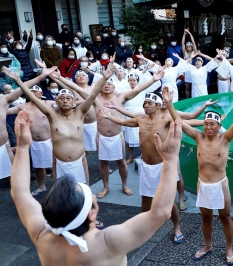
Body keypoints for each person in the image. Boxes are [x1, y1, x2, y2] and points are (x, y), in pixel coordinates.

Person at [10, 107, 183, 266]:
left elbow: (20, 193)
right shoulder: (109, 242)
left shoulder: (42, 234)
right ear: (92, 213)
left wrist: (23, 147)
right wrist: (169, 160)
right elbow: (161, 212)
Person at [65, 63, 165, 198]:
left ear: (114, 87)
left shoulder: (120, 97)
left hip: (117, 136)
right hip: (101, 136)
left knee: (121, 162)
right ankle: (105, 186)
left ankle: (124, 185)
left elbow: (138, 89)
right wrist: (59, 78)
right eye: (104, 84)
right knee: (103, 163)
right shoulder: (95, 98)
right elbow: (76, 87)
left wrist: (153, 79)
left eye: (110, 84)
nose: (106, 85)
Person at [5, 60, 113, 184]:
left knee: (84, 193)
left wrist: (104, 79)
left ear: (73, 102)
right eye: (62, 98)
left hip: (79, 160)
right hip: (59, 162)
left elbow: (92, 96)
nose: (65, 101)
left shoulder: (80, 112)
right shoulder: (51, 114)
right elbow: (33, 96)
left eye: (68, 98)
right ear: (56, 102)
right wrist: (18, 80)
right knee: (61, 197)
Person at [99, 90, 185, 243]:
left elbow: (179, 121)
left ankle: (176, 227)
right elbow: (125, 122)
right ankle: (146, 226)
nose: (146, 105)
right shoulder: (141, 119)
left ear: (158, 105)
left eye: (149, 103)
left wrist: (170, 103)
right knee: (146, 199)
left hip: (163, 166)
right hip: (147, 166)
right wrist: (110, 117)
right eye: (145, 103)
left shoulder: (166, 118)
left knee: (168, 201)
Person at [171, 86, 233, 265]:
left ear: (219, 126)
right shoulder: (198, 137)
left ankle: (229, 248)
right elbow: (179, 121)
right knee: (205, 217)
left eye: (212, 124)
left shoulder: (225, 139)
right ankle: (208, 245)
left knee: (225, 218)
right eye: (206, 123)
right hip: (203, 184)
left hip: (220, 184)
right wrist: (167, 103)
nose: (208, 126)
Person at [7, 85, 56, 196]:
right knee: (39, 166)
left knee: (56, 164)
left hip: (50, 140)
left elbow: (70, 105)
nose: (33, 93)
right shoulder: (22, 106)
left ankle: (57, 186)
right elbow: (5, 111)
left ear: (41, 93)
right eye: (31, 91)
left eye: (36, 91)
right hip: (34, 142)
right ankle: (42, 186)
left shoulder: (48, 103)